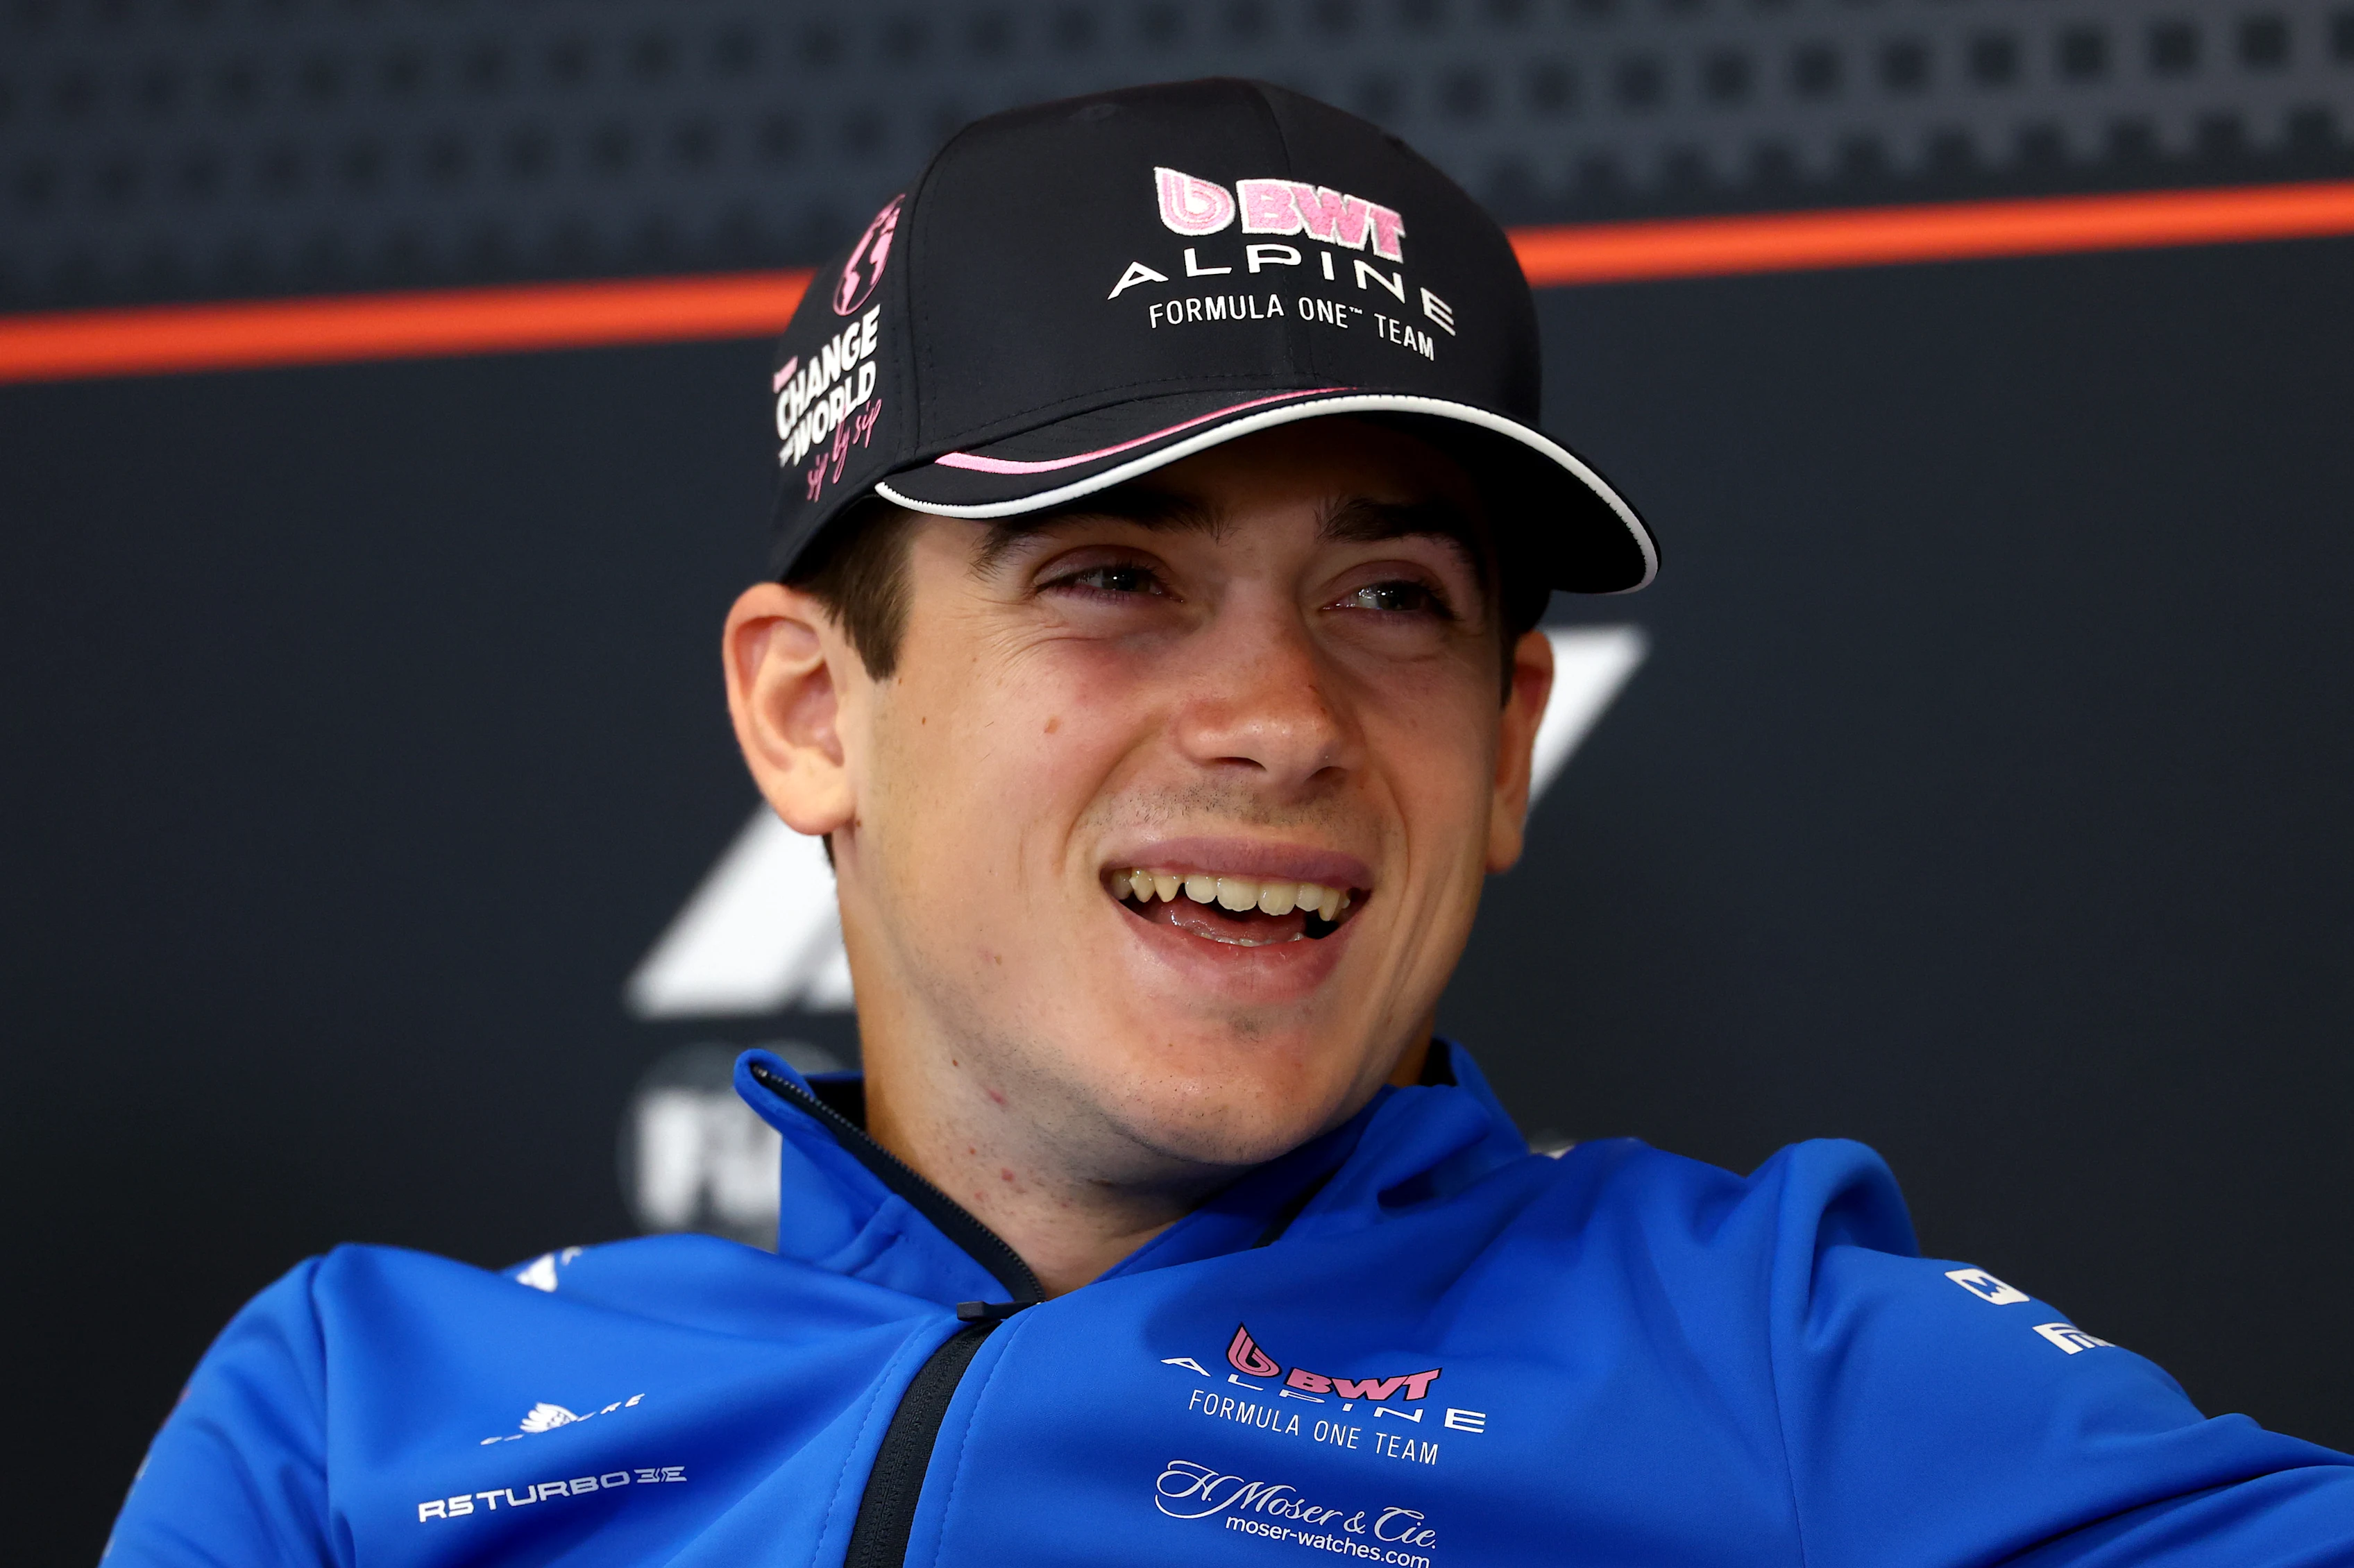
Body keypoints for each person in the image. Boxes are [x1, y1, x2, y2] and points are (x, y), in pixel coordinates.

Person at [106, 78, 2354, 1568]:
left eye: (1389, 597)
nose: (1280, 717)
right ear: (812, 712)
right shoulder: (355, 1412)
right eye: (1115, 573)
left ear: (1503, 748)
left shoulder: (1765, 1351)